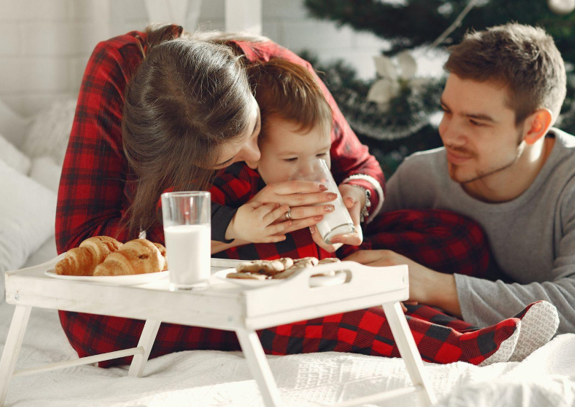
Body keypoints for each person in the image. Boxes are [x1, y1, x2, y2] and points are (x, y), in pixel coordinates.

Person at [56, 25, 381, 365]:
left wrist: (353, 198)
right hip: (175, 283)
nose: (255, 156)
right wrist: (232, 227)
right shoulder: (114, 72)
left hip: (271, 273)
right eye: (228, 159)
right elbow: (80, 248)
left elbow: (361, 167)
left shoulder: (279, 74)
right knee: (99, 327)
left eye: (254, 127)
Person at [210, 57, 558, 365]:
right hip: (277, 314)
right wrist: (240, 224)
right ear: (253, 147)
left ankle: (482, 334)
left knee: (393, 302)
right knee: (361, 318)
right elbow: (183, 227)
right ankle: (465, 350)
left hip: (332, 281)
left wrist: (352, 205)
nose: (311, 171)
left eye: (320, 155)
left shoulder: (317, 169)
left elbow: (363, 172)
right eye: (290, 159)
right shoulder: (240, 181)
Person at [347, 23, 575, 338]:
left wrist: (431, 284)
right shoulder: (421, 175)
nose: (449, 134)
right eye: (447, 111)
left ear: (534, 127)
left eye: (475, 121)